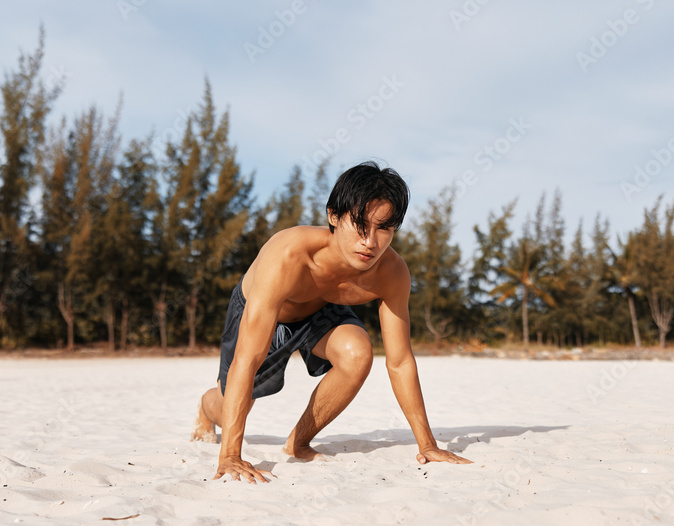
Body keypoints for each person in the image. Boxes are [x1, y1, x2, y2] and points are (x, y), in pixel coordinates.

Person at [191, 162, 472, 483]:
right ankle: (205, 406)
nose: (370, 241)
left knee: (358, 353)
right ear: (334, 217)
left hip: (322, 310)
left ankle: (298, 442)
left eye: (384, 228)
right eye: (360, 224)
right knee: (233, 401)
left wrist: (428, 444)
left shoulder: (392, 273)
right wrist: (230, 455)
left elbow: (400, 362)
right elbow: (248, 357)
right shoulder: (288, 253)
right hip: (270, 311)